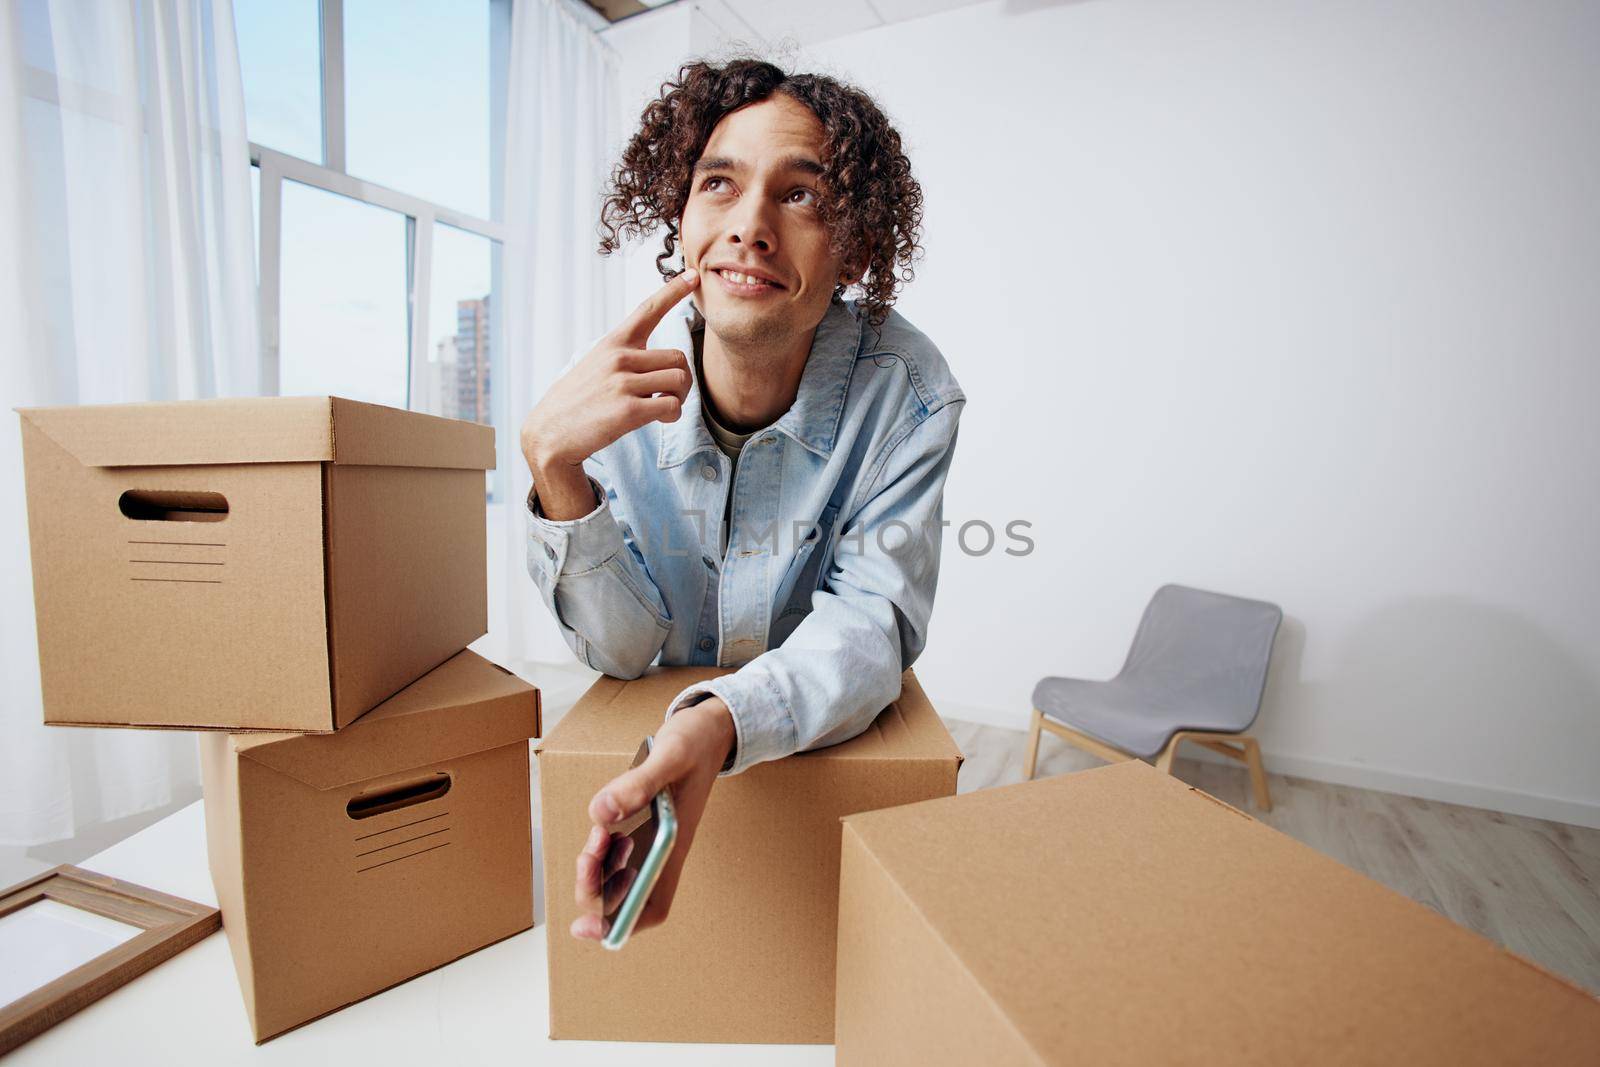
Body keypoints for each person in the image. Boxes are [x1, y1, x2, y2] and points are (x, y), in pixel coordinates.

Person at [520, 58, 964, 941]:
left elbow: (872, 622)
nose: (749, 228)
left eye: (801, 196)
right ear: (681, 218)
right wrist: (552, 470)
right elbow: (624, 650)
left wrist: (722, 721)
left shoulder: (910, 395)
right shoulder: (610, 396)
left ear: (858, 248)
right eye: (718, 184)